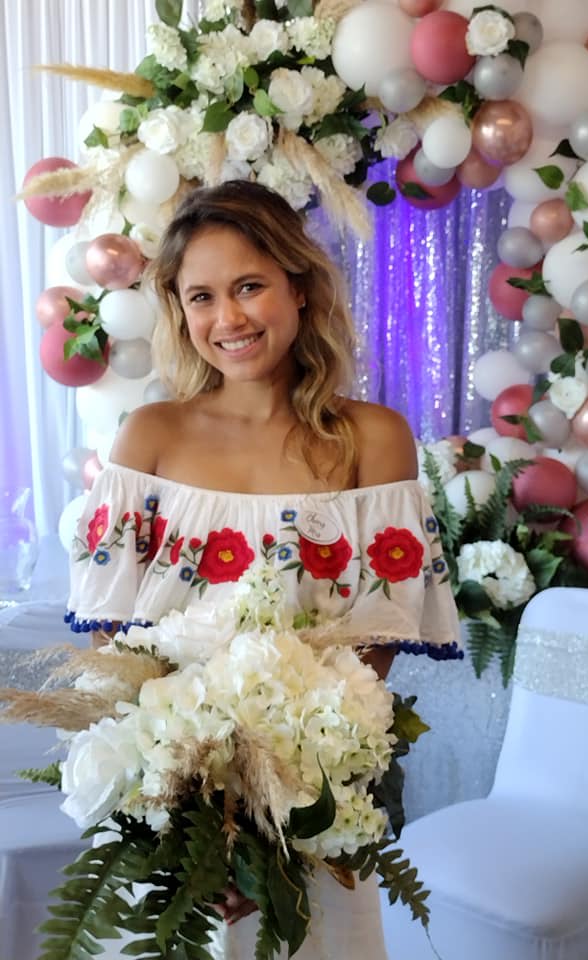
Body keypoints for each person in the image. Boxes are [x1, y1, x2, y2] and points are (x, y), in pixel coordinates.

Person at [66, 180, 461, 959]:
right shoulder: (148, 437)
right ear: (180, 311)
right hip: (170, 803)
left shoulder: (374, 439)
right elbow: (113, 645)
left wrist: (273, 819)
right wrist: (187, 813)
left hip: (309, 805)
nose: (229, 318)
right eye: (202, 296)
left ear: (299, 287)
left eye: (250, 286)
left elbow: (372, 648)